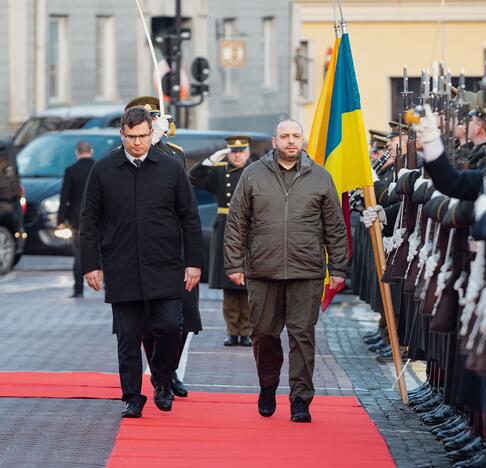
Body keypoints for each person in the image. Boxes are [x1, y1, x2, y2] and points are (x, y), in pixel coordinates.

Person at [80, 106, 203, 418]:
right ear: (122, 134)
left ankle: (162, 379)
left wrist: (194, 263)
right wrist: (91, 264)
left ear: (152, 133)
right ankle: (132, 397)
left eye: (143, 136)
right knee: (128, 337)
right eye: (131, 136)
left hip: (165, 265)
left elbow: (189, 217)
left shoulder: (171, 167)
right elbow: (89, 219)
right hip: (122, 267)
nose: (137, 142)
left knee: (170, 327)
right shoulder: (104, 170)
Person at [223, 119, 347, 423]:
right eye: (284, 136)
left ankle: (300, 399)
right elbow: (237, 222)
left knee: (302, 335)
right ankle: (267, 385)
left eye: (295, 136)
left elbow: (335, 226)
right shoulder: (253, 175)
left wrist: (340, 266)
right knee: (264, 334)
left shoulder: (320, 177)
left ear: (302, 140)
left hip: (307, 271)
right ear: (274, 141)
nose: (290, 141)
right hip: (263, 270)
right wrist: (235, 263)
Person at [123, 96, 204, 399]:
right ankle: (161, 375)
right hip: (143, 251)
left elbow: (185, 204)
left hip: (176, 248)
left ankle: (167, 371)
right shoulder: (128, 153)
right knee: (146, 320)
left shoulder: (175, 154)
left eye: (156, 118)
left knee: (183, 317)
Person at [190, 136, 253, 347]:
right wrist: (210, 160)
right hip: (225, 225)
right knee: (228, 284)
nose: (237, 155)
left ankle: (246, 330)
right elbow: (194, 178)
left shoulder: (256, 171)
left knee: (247, 281)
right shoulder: (219, 170)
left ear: (248, 151)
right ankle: (232, 330)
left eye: (241, 151)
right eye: (233, 151)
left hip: (249, 227)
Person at [57, 140, 94, 298]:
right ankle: (108, 285)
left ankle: (78, 289)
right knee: (103, 252)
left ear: (77, 152)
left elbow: (65, 197)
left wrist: (60, 220)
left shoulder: (71, 170)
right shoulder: (98, 167)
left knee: (79, 254)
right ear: (90, 151)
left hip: (77, 219)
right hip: (97, 217)